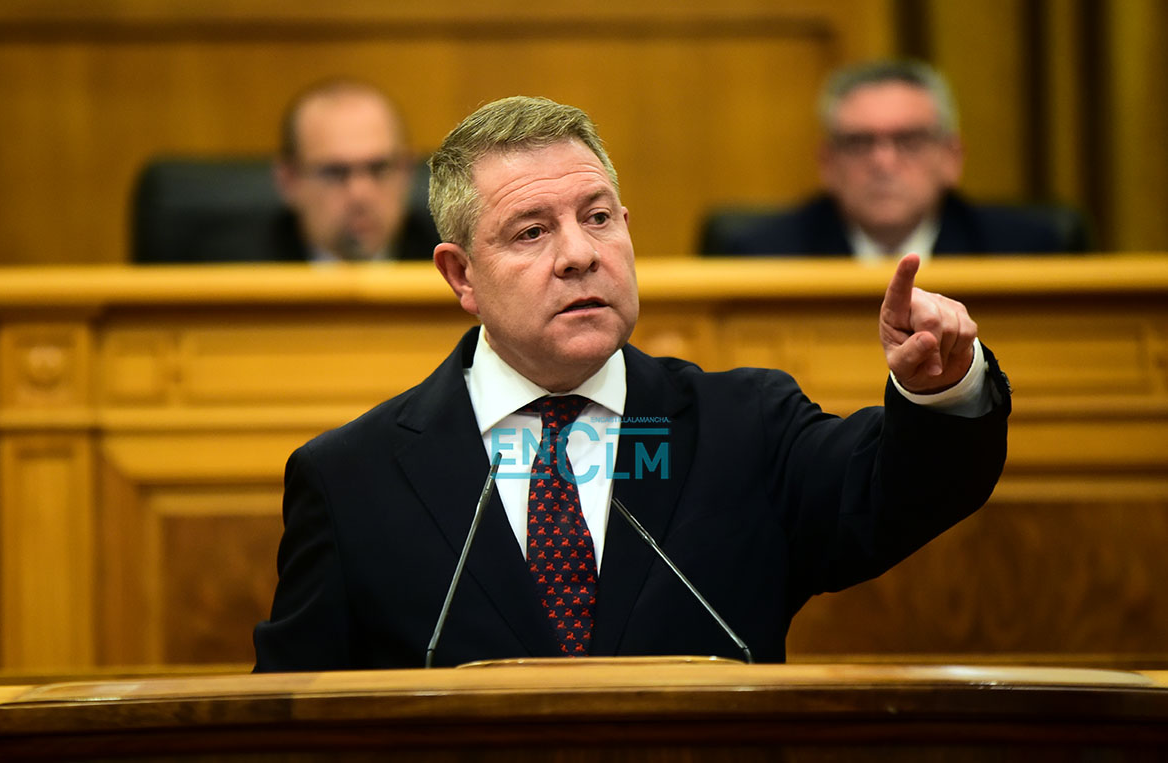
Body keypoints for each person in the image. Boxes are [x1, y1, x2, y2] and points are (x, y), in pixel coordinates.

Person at [253, 96, 1010, 671]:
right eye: (531, 231)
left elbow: (902, 491)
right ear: (461, 275)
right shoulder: (352, 479)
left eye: (597, 218)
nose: (579, 254)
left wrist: (941, 388)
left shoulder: (744, 427)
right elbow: (289, 720)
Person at [709, 60, 1086, 258]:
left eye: (908, 141)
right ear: (827, 164)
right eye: (859, 142)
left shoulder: (1027, 251)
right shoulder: (762, 256)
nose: (884, 162)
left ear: (951, 158)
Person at [272, 79, 438, 262]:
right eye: (335, 172)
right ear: (288, 181)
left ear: (407, 172)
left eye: (379, 169)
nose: (360, 194)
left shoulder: (454, 262)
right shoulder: (249, 268)